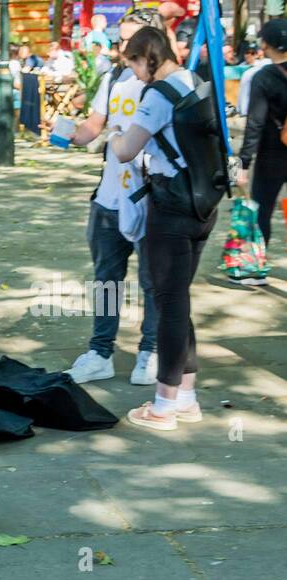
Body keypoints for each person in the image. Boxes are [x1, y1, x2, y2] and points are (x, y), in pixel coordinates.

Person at [109, 25, 215, 431]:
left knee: (169, 306)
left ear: (145, 57)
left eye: (133, 64)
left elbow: (127, 150)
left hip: (170, 208)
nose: (134, 74)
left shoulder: (156, 95)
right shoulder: (193, 79)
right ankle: (186, 397)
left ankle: (163, 405)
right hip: (203, 204)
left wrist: (116, 132)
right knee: (178, 301)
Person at [59, 8, 163, 386]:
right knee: (106, 279)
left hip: (153, 199)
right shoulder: (115, 77)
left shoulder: (172, 82)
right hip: (108, 197)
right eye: (121, 39)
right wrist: (70, 134)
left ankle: (150, 351)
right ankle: (101, 351)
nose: (123, 47)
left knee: (154, 280)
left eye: (131, 40)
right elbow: (95, 124)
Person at [236, 18, 287, 247]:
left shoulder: (263, 77)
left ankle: (258, 263)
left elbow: (255, 123)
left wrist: (244, 163)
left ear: (264, 45)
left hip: (271, 155)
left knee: (262, 208)